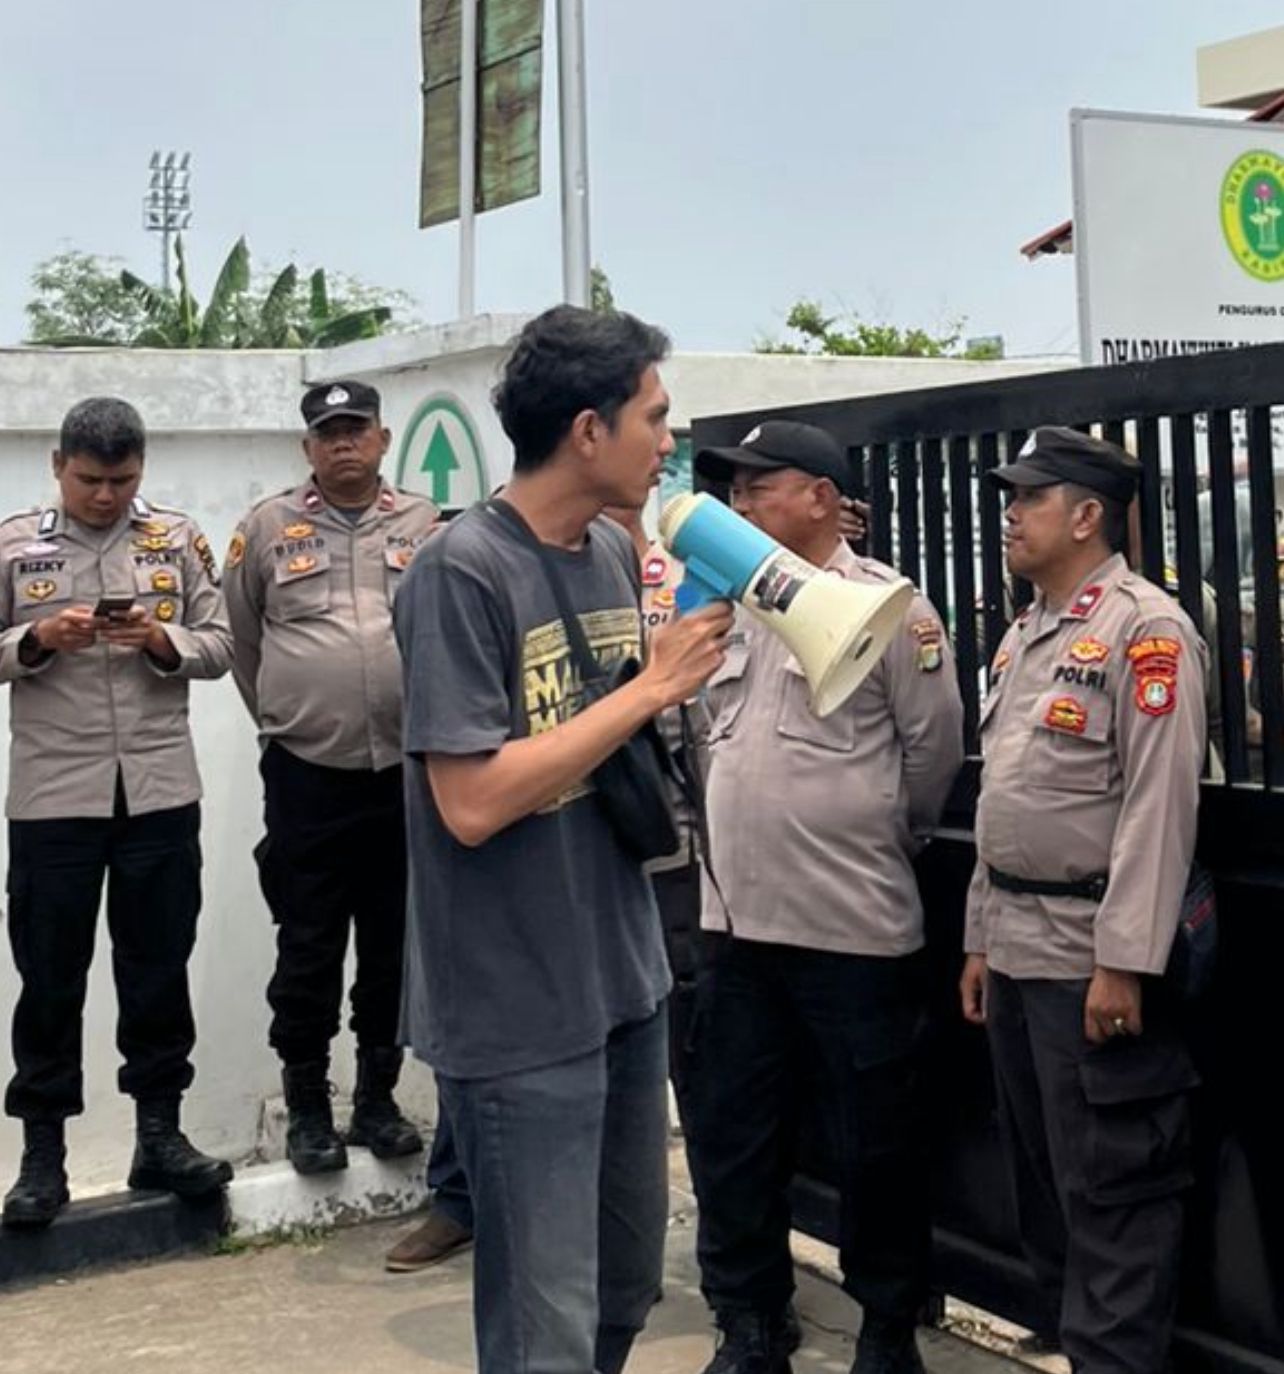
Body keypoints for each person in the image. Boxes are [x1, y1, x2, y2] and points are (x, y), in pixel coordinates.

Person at [394, 305, 733, 1374]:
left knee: (624, 1285)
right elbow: (473, 801)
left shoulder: (605, 551)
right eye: (654, 416)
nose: (668, 441)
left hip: (621, 979)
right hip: (515, 1002)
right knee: (545, 1322)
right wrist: (651, 692)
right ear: (588, 430)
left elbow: (601, 742)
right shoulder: (459, 571)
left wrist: (664, 681)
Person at [686, 420, 965, 1374]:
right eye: (735, 487)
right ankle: (751, 1317)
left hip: (853, 924)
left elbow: (930, 757)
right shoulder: (717, 602)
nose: (742, 502)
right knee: (734, 1137)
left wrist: (864, 828)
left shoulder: (888, 607)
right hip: (734, 925)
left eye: (761, 486)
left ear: (818, 496)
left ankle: (888, 1326)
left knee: (876, 1146)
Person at [959, 426, 1206, 1374]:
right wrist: (980, 938)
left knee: (1114, 1190)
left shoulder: (1146, 629)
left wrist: (1125, 962)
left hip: (1088, 956)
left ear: (1087, 514)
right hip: (1019, 950)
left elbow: (1158, 808)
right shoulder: (1026, 630)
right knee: (1047, 1186)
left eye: (1029, 499)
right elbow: (1005, 801)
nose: (1011, 515)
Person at [0, 396, 234, 1228]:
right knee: (49, 980)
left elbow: (221, 641)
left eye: (123, 479)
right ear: (58, 465)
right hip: (53, 798)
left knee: (157, 967)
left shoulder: (173, 540)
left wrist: (162, 643)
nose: (106, 496)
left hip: (160, 791)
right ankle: (41, 1156)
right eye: (91, 479)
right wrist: (36, 642)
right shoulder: (14, 543)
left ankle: (160, 1135)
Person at [223, 381, 453, 1196]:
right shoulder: (266, 528)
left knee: (392, 939)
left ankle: (379, 1098)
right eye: (328, 433)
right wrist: (290, 714)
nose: (343, 444)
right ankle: (309, 1105)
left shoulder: (424, 524)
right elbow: (245, 641)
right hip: (306, 771)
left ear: (384, 440)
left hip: (403, 768)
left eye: (357, 430)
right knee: (310, 938)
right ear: (308, 448)